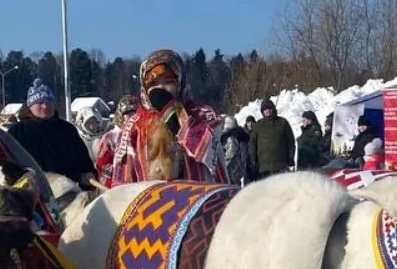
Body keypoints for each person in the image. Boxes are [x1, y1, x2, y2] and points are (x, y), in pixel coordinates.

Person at [110, 50, 225, 184]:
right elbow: (122, 177)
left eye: (168, 82)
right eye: (153, 84)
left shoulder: (201, 115)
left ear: (179, 83)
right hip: (153, 202)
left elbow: (211, 152)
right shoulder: (134, 125)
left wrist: (174, 115)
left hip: (198, 199)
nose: (161, 89)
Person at [6, 79, 98, 187]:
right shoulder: (17, 132)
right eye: (39, 103)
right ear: (30, 105)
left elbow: (83, 160)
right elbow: (7, 165)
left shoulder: (67, 129)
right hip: (32, 193)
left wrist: (88, 175)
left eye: (48, 102)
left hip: (69, 191)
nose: (45, 106)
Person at [248, 98, 295, 180]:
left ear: (273, 109)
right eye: (265, 109)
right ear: (262, 111)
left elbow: (290, 142)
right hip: (264, 167)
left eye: (269, 108)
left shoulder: (282, 122)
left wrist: (290, 158)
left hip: (280, 164)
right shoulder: (258, 125)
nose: (267, 111)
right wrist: (253, 160)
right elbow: (252, 144)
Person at [219, 116, 250, 185]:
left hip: (232, 167)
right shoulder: (240, 135)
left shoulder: (231, 138)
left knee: (233, 186)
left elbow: (230, 154)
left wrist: (223, 166)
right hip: (239, 166)